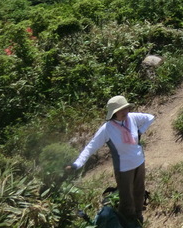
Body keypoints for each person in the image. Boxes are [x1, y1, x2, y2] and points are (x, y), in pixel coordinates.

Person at [66, 96, 155, 227]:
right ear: (114, 113)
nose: (125, 111)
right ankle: (127, 222)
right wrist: (77, 164)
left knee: (139, 191)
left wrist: (140, 131)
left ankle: (138, 218)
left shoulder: (132, 118)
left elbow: (150, 117)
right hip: (124, 169)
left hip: (139, 162)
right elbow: (91, 147)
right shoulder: (107, 129)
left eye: (126, 108)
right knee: (126, 199)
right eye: (121, 110)